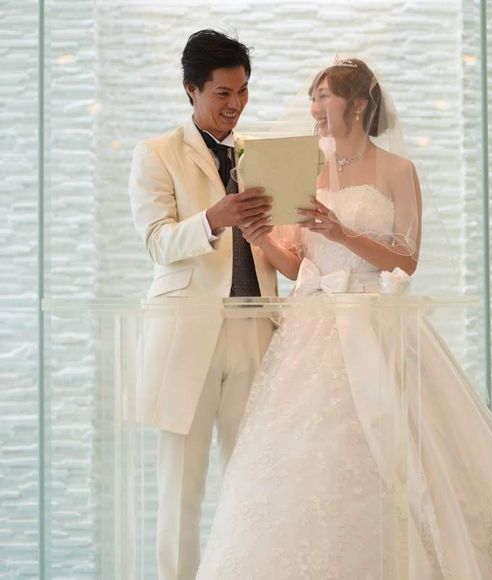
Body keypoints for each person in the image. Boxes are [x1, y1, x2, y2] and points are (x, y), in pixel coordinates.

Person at [195, 59, 492, 579]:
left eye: (324, 96)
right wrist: (261, 236)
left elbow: (407, 259)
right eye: (312, 97)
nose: (314, 108)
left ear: (358, 104)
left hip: (376, 321)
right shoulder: (307, 168)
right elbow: (296, 264)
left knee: (408, 446)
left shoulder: (397, 170)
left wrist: (341, 232)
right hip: (313, 328)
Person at [128, 29, 277, 580]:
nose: (236, 104)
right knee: (181, 492)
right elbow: (156, 242)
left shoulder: (262, 153)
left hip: (255, 328)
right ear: (191, 89)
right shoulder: (156, 154)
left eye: (243, 91)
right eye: (222, 93)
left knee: (251, 487)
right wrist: (215, 219)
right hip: (188, 336)